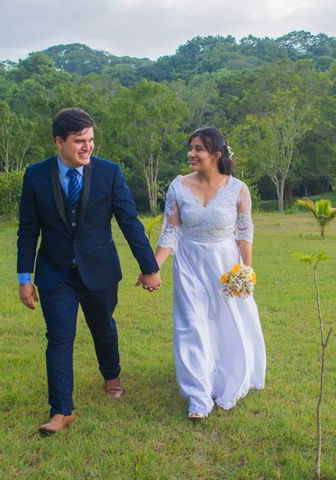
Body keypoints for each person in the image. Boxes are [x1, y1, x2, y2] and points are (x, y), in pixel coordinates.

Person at [17, 108, 162, 435]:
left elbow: (129, 222)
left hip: (99, 270)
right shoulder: (36, 175)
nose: (87, 147)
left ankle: (111, 375)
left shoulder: (110, 173)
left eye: (91, 140)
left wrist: (149, 267)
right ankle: (60, 410)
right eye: (79, 141)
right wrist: (24, 278)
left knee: (103, 328)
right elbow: (28, 230)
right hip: (56, 274)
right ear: (59, 142)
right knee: (58, 339)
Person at [152, 127, 266, 420]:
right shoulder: (177, 186)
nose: (191, 153)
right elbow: (172, 231)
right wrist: (154, 268)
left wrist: (244, 269)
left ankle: (227, 379)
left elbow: (244, 230)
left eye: (198, 148)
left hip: (226, 264)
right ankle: (198, 398)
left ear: (216, 154)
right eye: (190, 148)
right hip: (189, 263)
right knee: (191, 325)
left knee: (228, 323)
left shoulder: (238, 188)